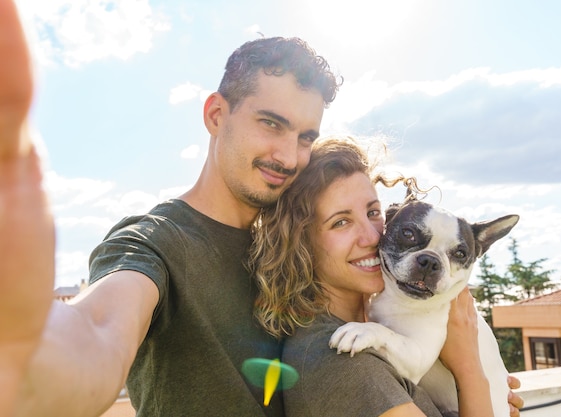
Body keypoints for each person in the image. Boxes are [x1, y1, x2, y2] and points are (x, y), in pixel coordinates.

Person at [0, 0, 341, 415]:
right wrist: (35, 370)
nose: (289, 157)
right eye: (271, 124)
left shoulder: (292, 242)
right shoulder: (155, 242)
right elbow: (101, 326)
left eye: (306, 137)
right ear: (216, 115)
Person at [249, 137, 524, 417]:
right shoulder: (345, 361)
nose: (371, 236)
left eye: (373, 213)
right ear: (301, 240)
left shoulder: (366, 322)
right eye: (340, 222)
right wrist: (471, 374)